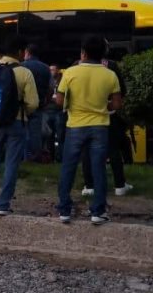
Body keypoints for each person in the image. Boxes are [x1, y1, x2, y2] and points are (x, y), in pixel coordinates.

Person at [56, 36, 122, 225]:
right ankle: (97, 211)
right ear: (103, 54)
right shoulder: (110, 75)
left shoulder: (70, 72)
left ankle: (65, 210)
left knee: (68, 167)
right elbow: (117, 104)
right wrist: (103, 104)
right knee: (98, 168)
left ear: (83, 53)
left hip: (75, 126)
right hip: (100, 126)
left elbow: (60, 100)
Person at [0, 35, 39, 216]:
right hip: (16, 122)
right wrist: (20, 109)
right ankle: (3, 204)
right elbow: (33, 104)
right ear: (20, 52)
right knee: (11, 163)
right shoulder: (25, 73)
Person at [81, 56, 133, 197]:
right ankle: (119, 185)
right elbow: (121, 91)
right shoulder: (110, 66)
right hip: (107, 114)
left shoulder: (77, 66)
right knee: (113, 149)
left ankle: (90, 186)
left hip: (84, 116)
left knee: (87, 150)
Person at [21, 44, 52, 162]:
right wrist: (46, 102)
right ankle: (34, 158)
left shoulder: (21, 66)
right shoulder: (46, 68)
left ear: (27, 52)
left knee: (22, 133)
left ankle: (24, 157)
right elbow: (50, 88)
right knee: (36, 134)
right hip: (38, 105)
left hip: (23, 106)